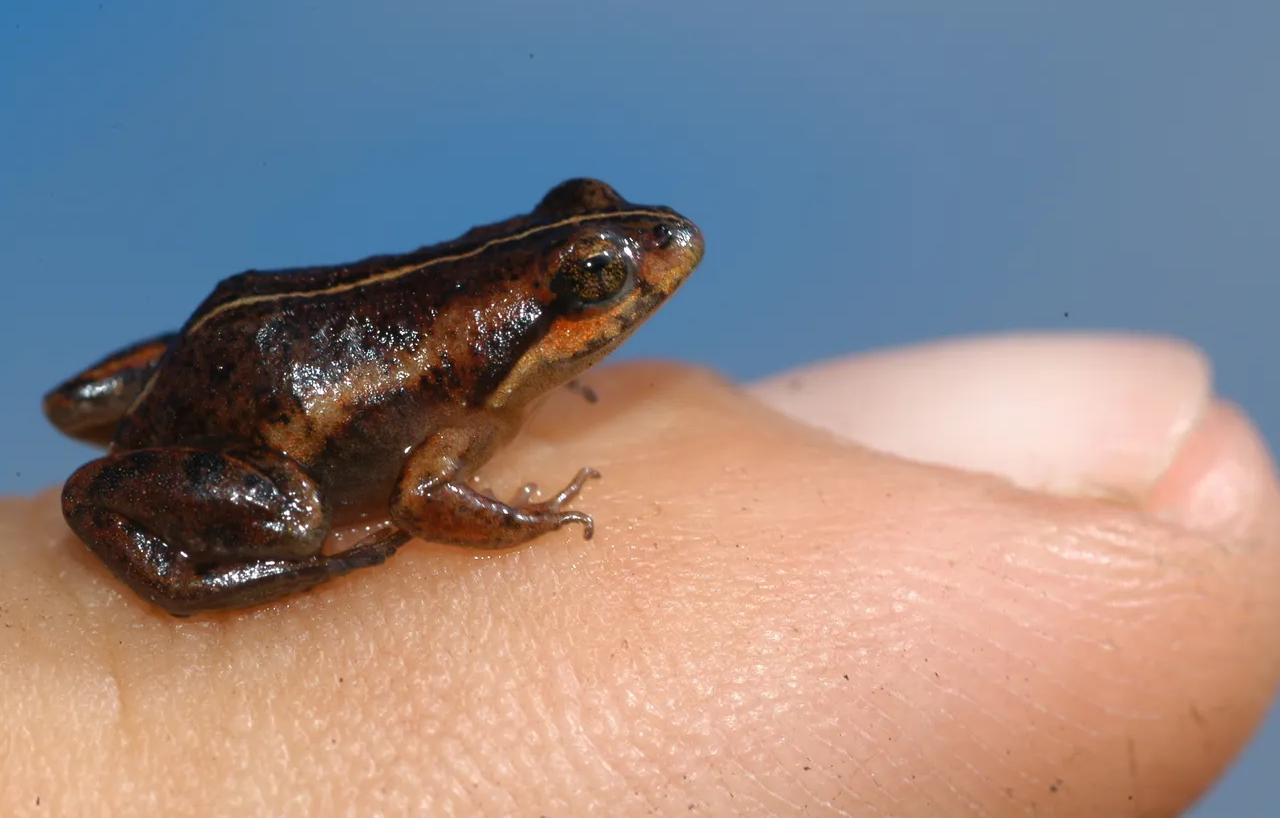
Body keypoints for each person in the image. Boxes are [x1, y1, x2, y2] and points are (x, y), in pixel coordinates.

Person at [2, 333, 1276, 816]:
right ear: (537, 320)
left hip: (228, 349)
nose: (641, 287)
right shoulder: (458, 393)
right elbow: (427, 495)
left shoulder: (490, 358)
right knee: (290, 508)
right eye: (595, 288)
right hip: (262, 435)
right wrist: (528, 521)